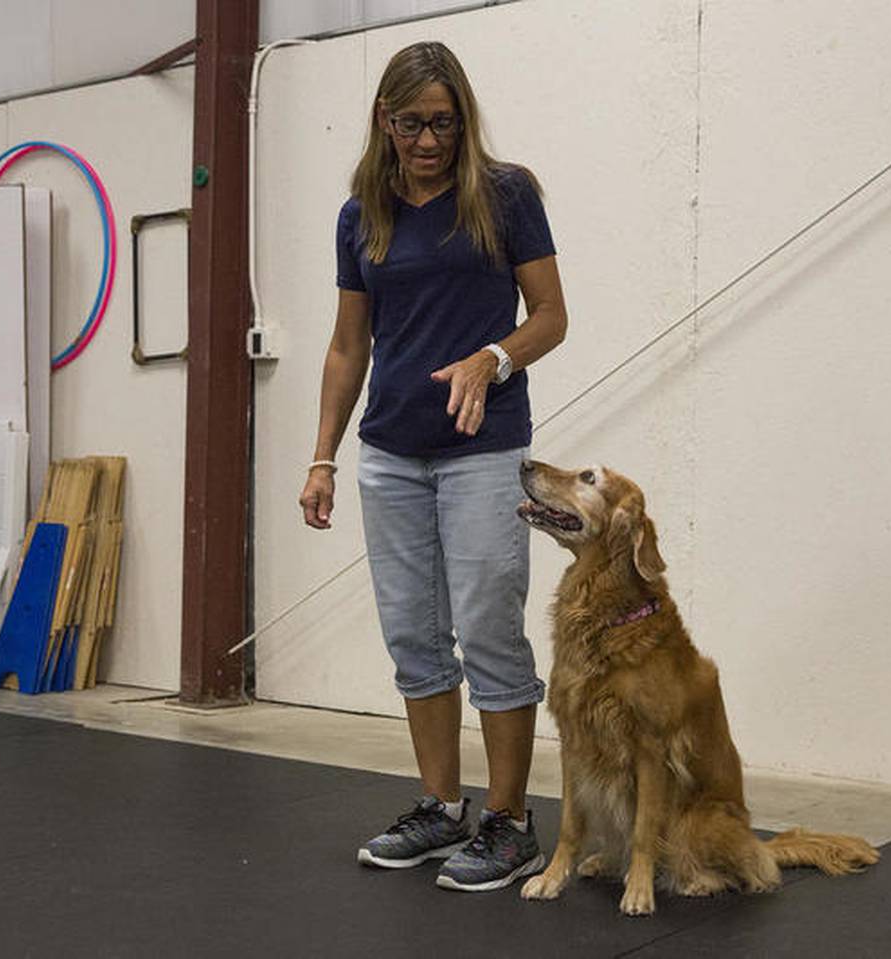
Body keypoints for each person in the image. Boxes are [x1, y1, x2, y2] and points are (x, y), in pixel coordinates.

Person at [298, 40, 568, 893]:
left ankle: (510, 820)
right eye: (412, 123)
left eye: (444, 124)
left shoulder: (505, 194)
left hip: (485, 454)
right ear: (385, 120)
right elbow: (348, 346)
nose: (428, 141)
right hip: (390, 454)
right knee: (414, 635)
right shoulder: (362, 215)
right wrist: (322, 459)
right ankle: (442, 806)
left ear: (464, 119)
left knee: (490, 627)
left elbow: (552, 317)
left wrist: (494, 356)